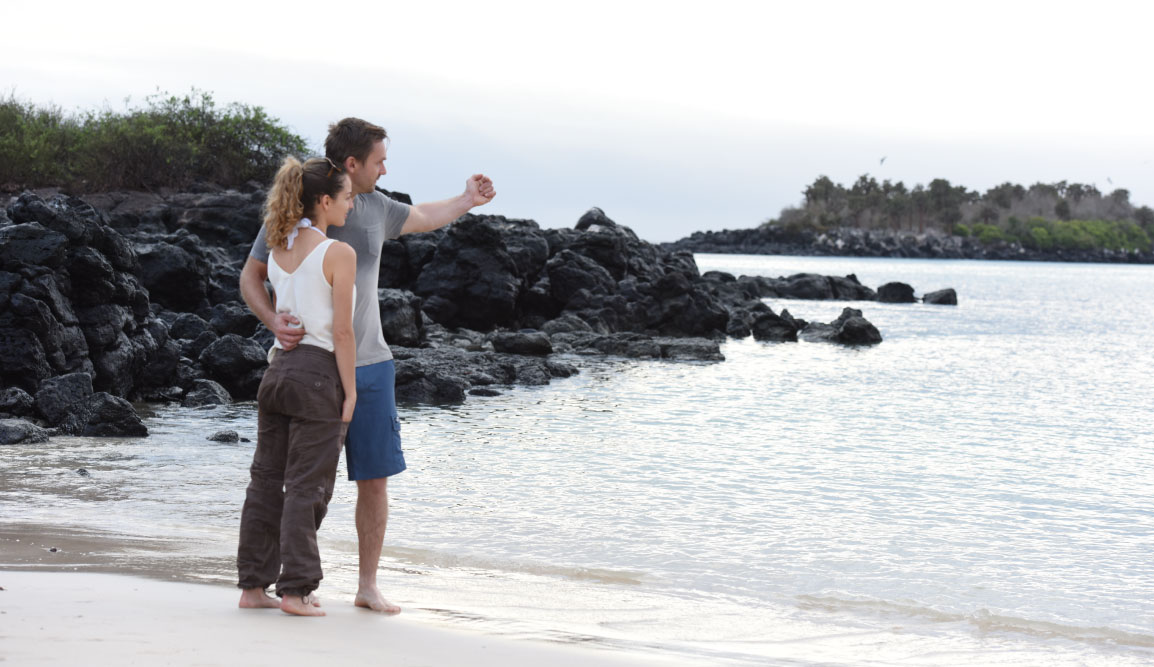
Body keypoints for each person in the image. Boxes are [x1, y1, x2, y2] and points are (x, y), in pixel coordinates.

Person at [240, 118, 496, 614]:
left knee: (372, 477)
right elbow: (251, 276)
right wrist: (272, 320)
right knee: (298, 481)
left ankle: (366, 585)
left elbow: (423, 215)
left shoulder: (376, 207)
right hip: (312, 364)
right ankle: (287, 585)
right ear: (352, 165)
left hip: (370, 364)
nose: (385, 168)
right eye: (379, 160)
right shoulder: (297, 215)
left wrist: (466, 199)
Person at [236, 156, 357, 617]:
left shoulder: (278, 243)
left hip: (278, 371)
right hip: (318, 374)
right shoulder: (337, 253)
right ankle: (296, 590)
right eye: (346, 197)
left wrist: (272, 321)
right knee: (308, 485)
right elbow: (342, 334)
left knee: (265, 482)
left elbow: (257, 285)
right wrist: (351, 392)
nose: (349, 205)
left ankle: (253, 587)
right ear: (324, 201)